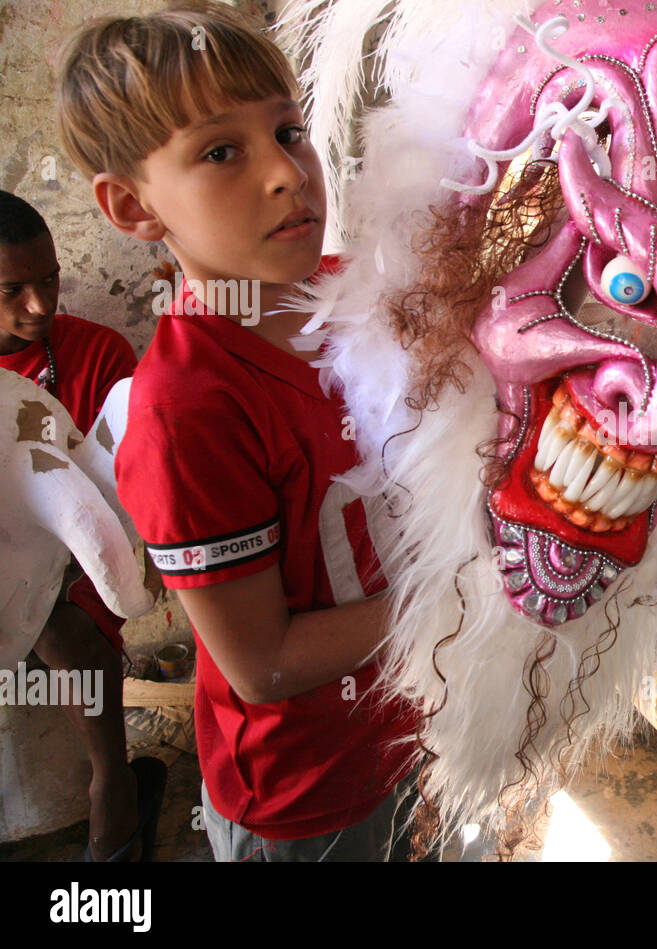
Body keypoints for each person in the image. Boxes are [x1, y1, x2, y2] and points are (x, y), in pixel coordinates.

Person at [57, 2, 419, 861]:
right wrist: (461, 599)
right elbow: (266, 663)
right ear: (133, 207)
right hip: (306, 794)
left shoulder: (357, 296)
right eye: (221, 151)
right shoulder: (188, 413)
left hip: (412, 729)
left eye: (290, 131)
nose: (288, 172)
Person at [0, 189, 166, 862]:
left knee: (58, 624)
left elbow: (123, 489)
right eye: (12, 288)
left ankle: (111, 792)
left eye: (49, 280)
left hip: (82, 567)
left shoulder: (95, 354)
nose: (40, 305)